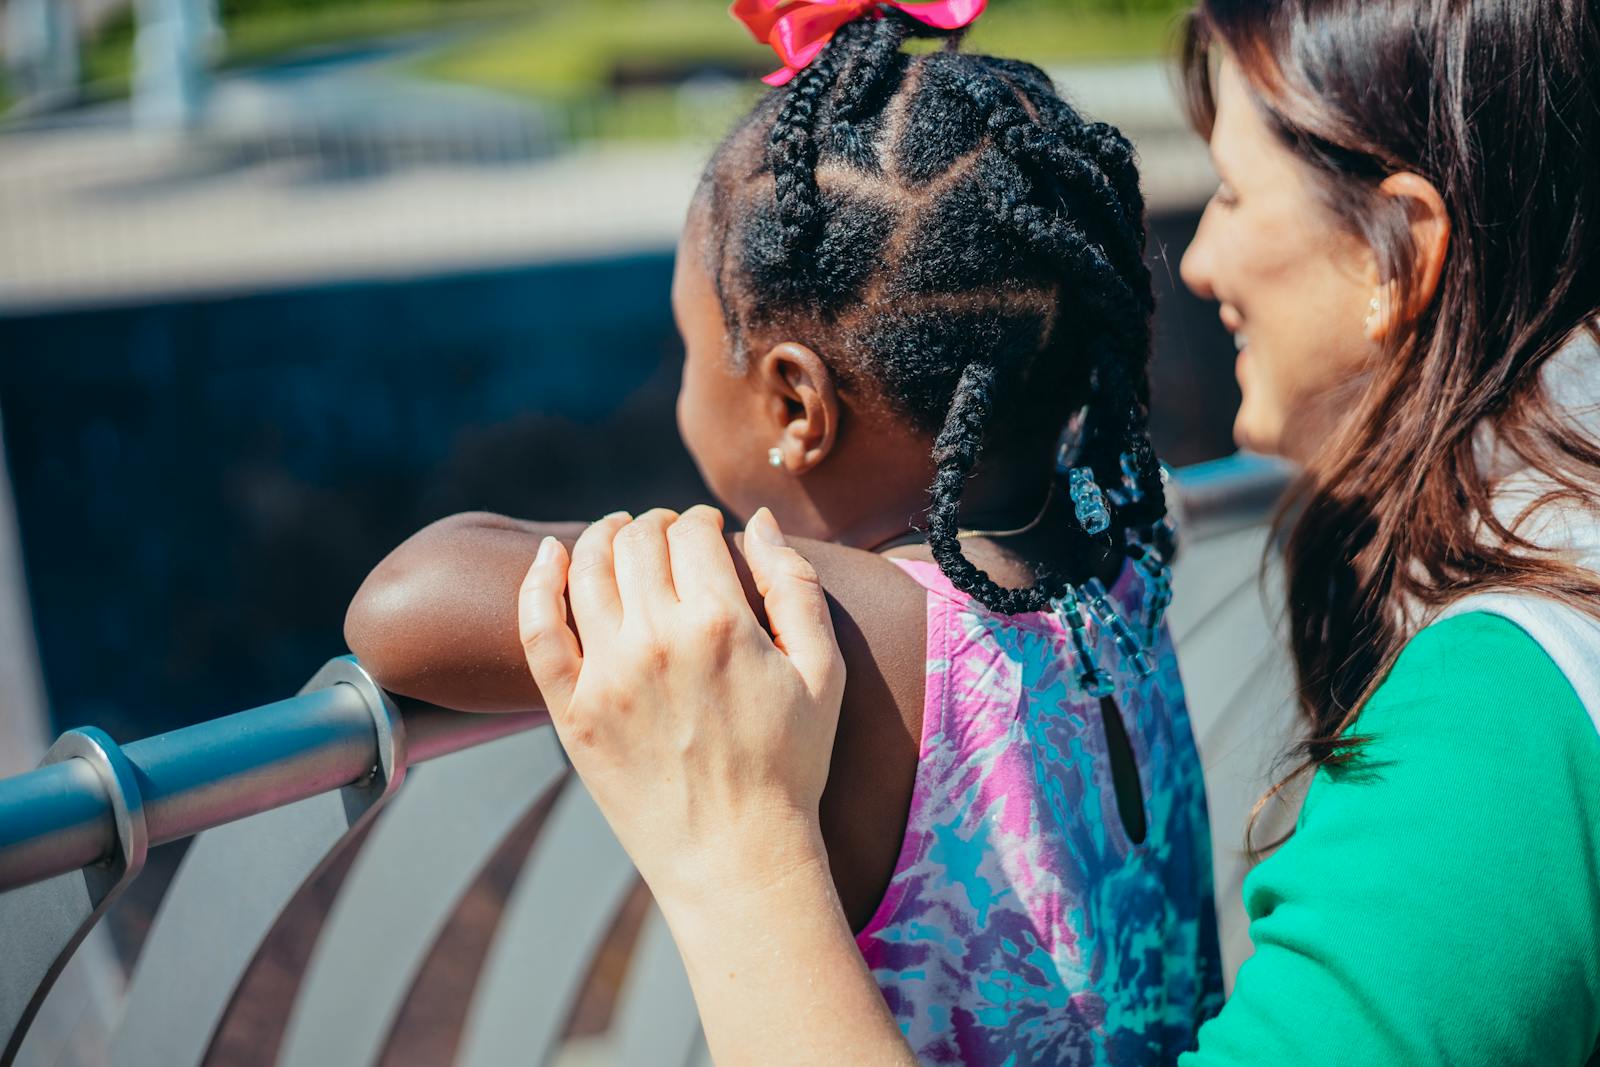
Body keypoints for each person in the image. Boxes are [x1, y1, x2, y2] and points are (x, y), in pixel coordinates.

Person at [515, 0, 1600, 1063]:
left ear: (1397, 249)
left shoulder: (1497, 719)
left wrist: (736, 858)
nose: (1193, 260)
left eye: (1228, 192)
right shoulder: (1115, 569)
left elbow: (407, 606)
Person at [345, 6, 1224, 1061]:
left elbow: (400, 605)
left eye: (686, 350)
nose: (676, 395)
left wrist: (712, 553)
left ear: (796, 405)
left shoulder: (847, 627)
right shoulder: (1112, 538)